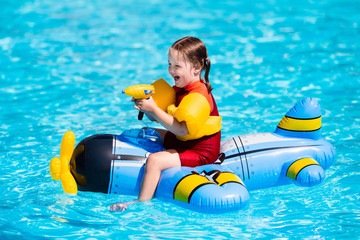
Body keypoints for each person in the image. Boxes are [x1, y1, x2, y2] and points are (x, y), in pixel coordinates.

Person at [110, 36, 222, 212]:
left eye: (177, 66)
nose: (171, 70)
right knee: (148, 133)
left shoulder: (198, 97)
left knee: (155, 161)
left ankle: (141, 203)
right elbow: (162, 119)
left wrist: (154, 109)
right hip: (183, 140)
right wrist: (147, 108)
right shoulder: (182, 88)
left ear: (196, 68)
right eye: (169, 64)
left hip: (201, 150)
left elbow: (182, 130)